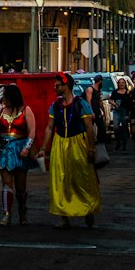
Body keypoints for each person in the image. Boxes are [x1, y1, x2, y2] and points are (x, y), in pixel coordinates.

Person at [40, 72, 100, 229]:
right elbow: (49, 127)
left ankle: (88, 210)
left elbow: (89, 127)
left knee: (81, 178)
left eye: (57, 85)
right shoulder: (55, 106)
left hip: (78, 143)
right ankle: (63, 217)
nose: (55, 87)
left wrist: (91, 147)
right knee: (60, 180)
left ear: (66, 86)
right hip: (60, 144)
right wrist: (43, 148)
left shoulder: (81, 104)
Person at [0, 82, 36, 226]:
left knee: (21, 188)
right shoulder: (1, 111)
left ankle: (22, 211)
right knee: (7, 183)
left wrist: (27, 148)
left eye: (6, 96)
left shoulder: (26, 110)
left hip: (20, 150)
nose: (3, 99)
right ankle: (7, 214)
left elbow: (32, 131)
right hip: (3, 150)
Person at [112, 77, 131, 153]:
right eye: (120, 83)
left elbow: (130, 103)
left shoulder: (128, 92)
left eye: (123, 82)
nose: (121, 84)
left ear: (125, 84)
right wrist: (114, 103)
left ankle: (124, 145)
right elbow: (110, 99)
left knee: (124, 128)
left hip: (124, 111)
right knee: (116, 127)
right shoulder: (115, 92)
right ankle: (118, 141)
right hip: (117, 111)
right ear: (118, 84)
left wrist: (128, 114)